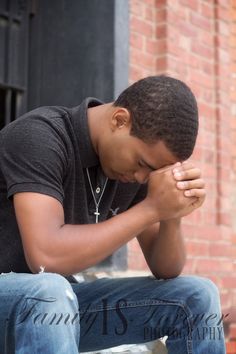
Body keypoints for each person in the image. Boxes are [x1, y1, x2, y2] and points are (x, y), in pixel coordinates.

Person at [0, 75, 226, 353]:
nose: (143, 178)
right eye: (142, 163)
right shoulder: (41, 136)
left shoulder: (132, 172)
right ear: (119, 120)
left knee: (197, 296)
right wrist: (151, 207)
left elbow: (165, 269)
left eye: (153, 171)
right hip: (23, 301)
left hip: (56, 314)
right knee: (50, 291)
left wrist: (171, 214)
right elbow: (46, 257)